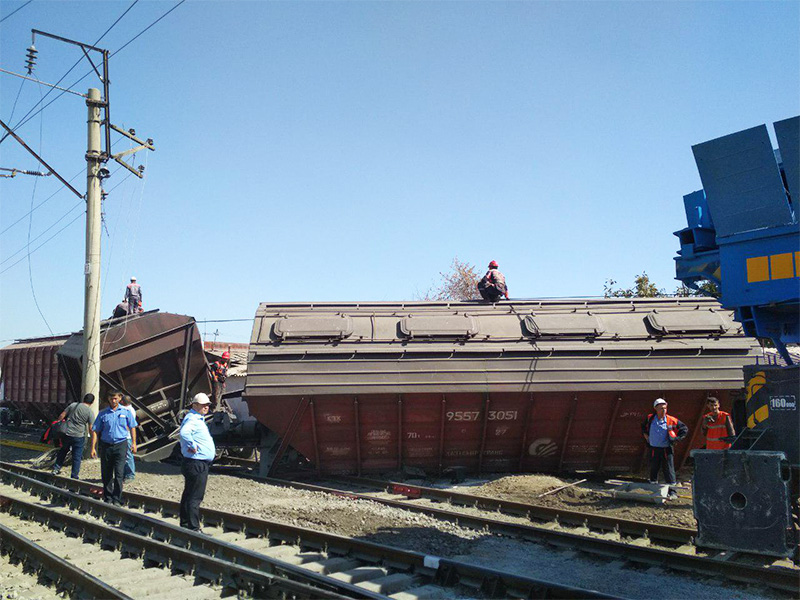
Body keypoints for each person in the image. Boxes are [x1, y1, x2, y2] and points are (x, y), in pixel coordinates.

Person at [90, 390, 137, 505]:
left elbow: (133, 427)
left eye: (116, 398)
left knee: (119, 473)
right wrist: (93, 447)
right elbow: (95, 430)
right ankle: (108, 498)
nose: (114, 401)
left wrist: (134, 443)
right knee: (106, 472)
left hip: (121, 444)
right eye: (111, 398)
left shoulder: (126, 412)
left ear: (120, 398)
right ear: (108, 399)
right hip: (106, 445)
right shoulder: (103, 413)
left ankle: (117, 498)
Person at [179, 393, 216, 532]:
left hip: (194, 462)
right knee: (195, 497)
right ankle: (194, 528)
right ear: (195, 405)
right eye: (203, 405)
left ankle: (185, 524)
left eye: (207, 405)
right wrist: (192, 445)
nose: (206, 407)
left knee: (189, 493)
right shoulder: (193, 419)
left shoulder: (195, 418)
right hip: (197, 463)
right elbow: (184, 433)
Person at [641, 398, 688, 496]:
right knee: (654, 468)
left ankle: (672, 492)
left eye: (665, 408)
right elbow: (643, 426)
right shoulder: (650, 418)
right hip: (654, 448)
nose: (664, 410)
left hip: (666, 449)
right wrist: (646, 435)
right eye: (661, 408)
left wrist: (677, 439)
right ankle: (653, 488)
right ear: (655, 408)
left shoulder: (670, 419)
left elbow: (684, 428)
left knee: (669, 470)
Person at [52, 393, 95, 479]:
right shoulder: (90, 412)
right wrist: (93, 441)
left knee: (63, 451)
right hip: (79, 436)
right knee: (77, 456)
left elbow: (62, 415)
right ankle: (74, 475)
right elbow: (91, 428)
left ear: (84, 399)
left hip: (67, 433)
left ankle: (56, 469)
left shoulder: (73, 405)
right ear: (92, 402)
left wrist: (58, 423)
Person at [120, 395, 137, 482]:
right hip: (125, 436)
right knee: (125, 455)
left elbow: (130, 425)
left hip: (126, 436)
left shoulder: (128, 410)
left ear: (122, 401)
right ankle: (125, 474)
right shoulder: (131, 409)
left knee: (128, 455)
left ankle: (130, 474)